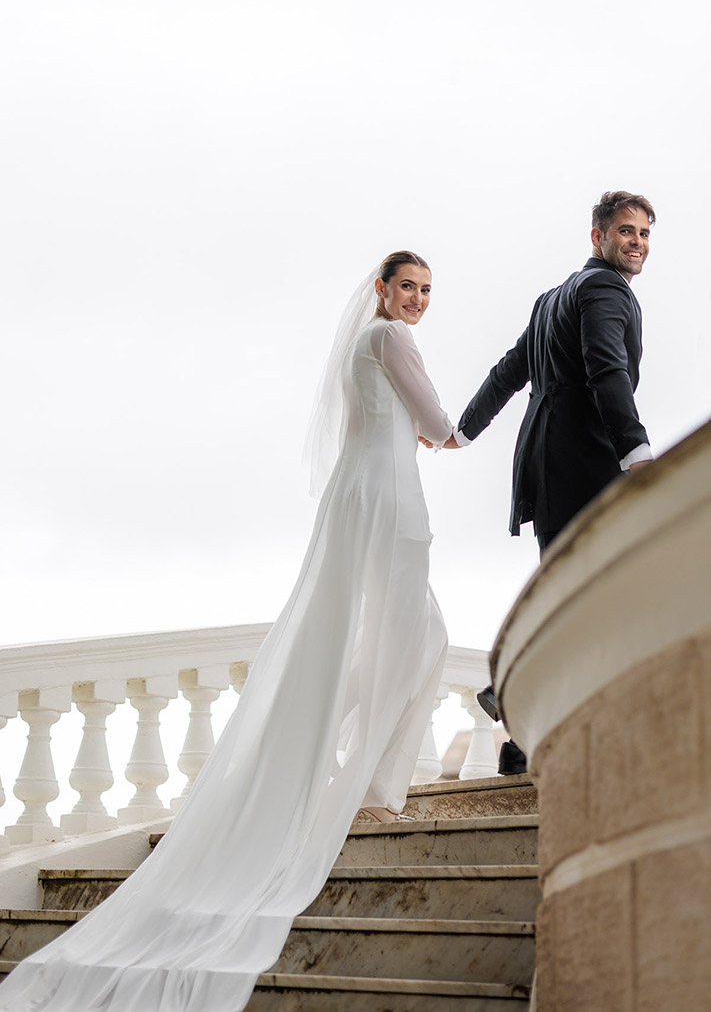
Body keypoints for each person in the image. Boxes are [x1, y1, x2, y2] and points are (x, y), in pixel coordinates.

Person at [0, 252, 453, 1011]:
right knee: (419, 635)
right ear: (381, 289)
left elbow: (370, 423)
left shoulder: (355, 346)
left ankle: (344, 763)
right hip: (389, 500)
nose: (417, 300)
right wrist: (455, 430)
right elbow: (438, 423)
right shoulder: (392, 339)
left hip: (356, 495)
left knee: (394, 636)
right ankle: (369, 782)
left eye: (426, 291)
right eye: (407, 286)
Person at [446, 191, 655, 774]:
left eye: (643, 233)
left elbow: (509, 371)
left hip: (544, 464)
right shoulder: (606, 291)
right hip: (585, 462)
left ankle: (518, 732)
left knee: (565, 591)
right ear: (598, 236)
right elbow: (606, 369)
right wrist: (636, 450)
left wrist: (464, 431)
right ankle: (523, 695)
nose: (636, 242)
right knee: (602, 592)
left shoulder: (551, 298)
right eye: (625, 231)